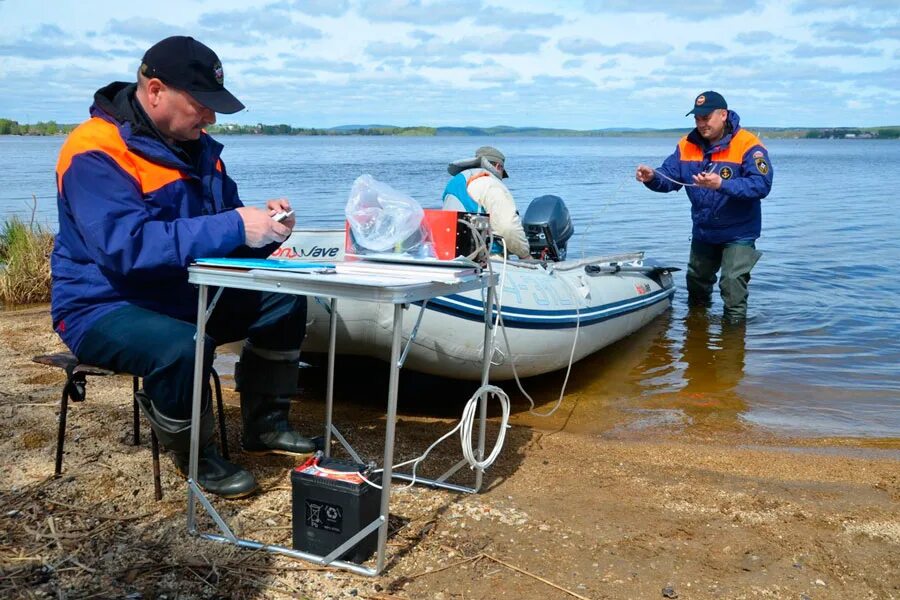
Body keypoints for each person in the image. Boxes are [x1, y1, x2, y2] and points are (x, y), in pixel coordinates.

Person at [51, 36, 316, 499]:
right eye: (201, 104)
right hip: (101, 305)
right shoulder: (94, 150)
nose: (211, 117)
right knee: (182, 345)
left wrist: (268, 232)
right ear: (155, 91)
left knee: (284, 299)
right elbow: (126, 249)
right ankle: (197, 455)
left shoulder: (202, 151)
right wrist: (235, 225)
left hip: (183, 292)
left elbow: (222, 244)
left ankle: (266, 426)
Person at [635, 91, 773, 322]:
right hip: (704, 230)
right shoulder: (687, 145)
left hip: (738, 232)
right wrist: (652, 177)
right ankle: (697, 339)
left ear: (723, 115)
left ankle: (733, 344)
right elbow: (669, 177)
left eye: (706, 118)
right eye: (697, 118)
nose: (701, 123)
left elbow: (761, 185)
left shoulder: (749, 145)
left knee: (731, 285)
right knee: (696, 284)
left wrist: (722, 184)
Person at [442, 146, 530, 258]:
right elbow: (508, 227)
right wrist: (525, 255)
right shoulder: (490, 184)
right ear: (498, 166)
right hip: (485, 259)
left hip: (450, 255)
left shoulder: (455, 183)